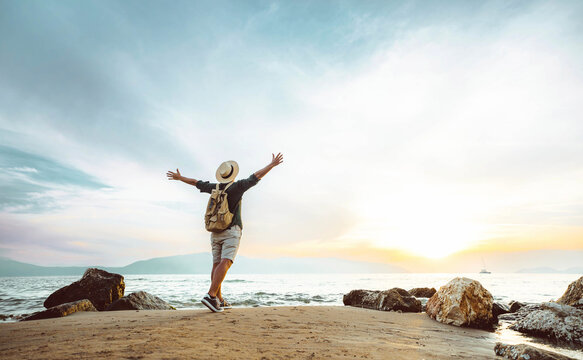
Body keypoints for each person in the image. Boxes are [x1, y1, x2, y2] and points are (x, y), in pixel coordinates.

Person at [166, 153, 283, 312]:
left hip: (215, 230)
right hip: (231, 230)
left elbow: (195, 182)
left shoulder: (214, 187)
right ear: (232, 174)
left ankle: (218, 300)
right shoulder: (237, 187)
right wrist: (271, 165)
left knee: (216, 264)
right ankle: (211, 295)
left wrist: (180, 178)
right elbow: (256, 176)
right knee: (226, 262)